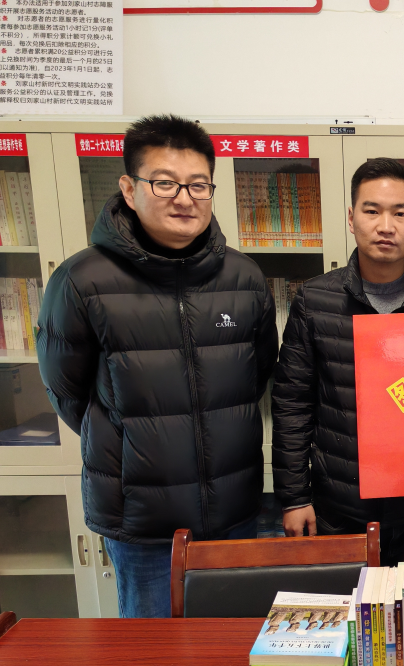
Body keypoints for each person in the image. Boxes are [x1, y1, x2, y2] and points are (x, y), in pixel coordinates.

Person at [36, 114, 278, 618]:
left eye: (198, 185)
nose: (184, 199)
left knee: (236, 647)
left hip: (234, 509)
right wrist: (135, 443)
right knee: (156, 655)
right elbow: (68, 392)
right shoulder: (81, 281)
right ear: (129, 188)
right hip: (143, 522)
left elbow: (256, 375)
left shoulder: (244, 276)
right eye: (165, 183)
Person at [272, 157, 404, 567]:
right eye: (372, 211)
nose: (386, 226)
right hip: (340, 507)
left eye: (400, 213)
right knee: (348, 608)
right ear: (351, 218)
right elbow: (293, 403)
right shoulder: (315, 300)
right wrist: (294, 498)